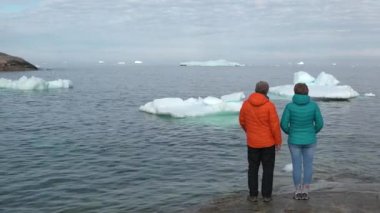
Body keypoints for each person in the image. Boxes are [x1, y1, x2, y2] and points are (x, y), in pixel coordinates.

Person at [239, 81, 282, 202]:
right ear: (266, 91)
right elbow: (275, 126)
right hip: (268, 143)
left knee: (252, 169)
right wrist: (278, 142)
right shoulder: (269, 105)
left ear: (255, 89)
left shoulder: (246, 104)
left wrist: (249, 132)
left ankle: (253, 195)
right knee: (268, 169)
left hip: (252, 143)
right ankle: (267, 196)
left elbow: (242, 121)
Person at [280, 83, 324, 200]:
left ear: (295, 92)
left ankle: (297, 191)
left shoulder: (289, 106)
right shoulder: (314, 106)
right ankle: (306, 191)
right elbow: (320, 124)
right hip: (310, 140)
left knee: (296, 165)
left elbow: (283, 124)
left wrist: (291, 132)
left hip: (294, 140)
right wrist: (312, 132)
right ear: (307, 92)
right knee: (308, 165)